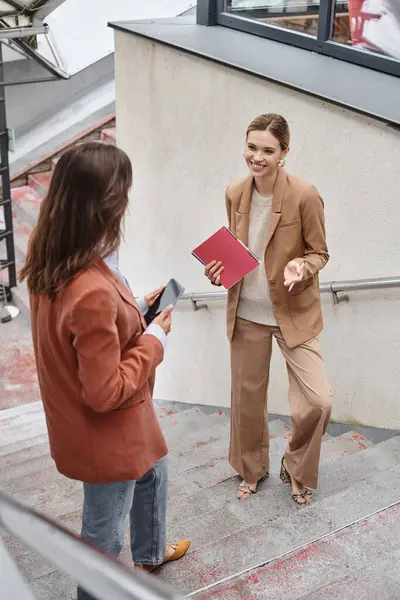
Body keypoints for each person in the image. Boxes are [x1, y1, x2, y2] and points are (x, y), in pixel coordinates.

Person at [20, 142, 190, 599]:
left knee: (155, 467)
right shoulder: (89, 285)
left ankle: (151, 552)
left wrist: (134, 308)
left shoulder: (52, 247)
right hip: (104, 429)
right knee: (103, 534)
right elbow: (104, 390)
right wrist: (156, 339)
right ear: (106, 204)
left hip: (90, 416)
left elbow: (77, 326)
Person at [205, 114, 332, 506]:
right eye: (251, 147)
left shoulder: (304, 195)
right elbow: (239, 251)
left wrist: (304, 266)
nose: (257, 157)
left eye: (267, 150)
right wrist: (219, 272)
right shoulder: (234, 193)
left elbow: (320, 253)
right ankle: (251, 469)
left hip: (292, 311)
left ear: (284, 154)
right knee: (246, 401)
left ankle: (296, 466)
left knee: (319, 401)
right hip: (246, 313)